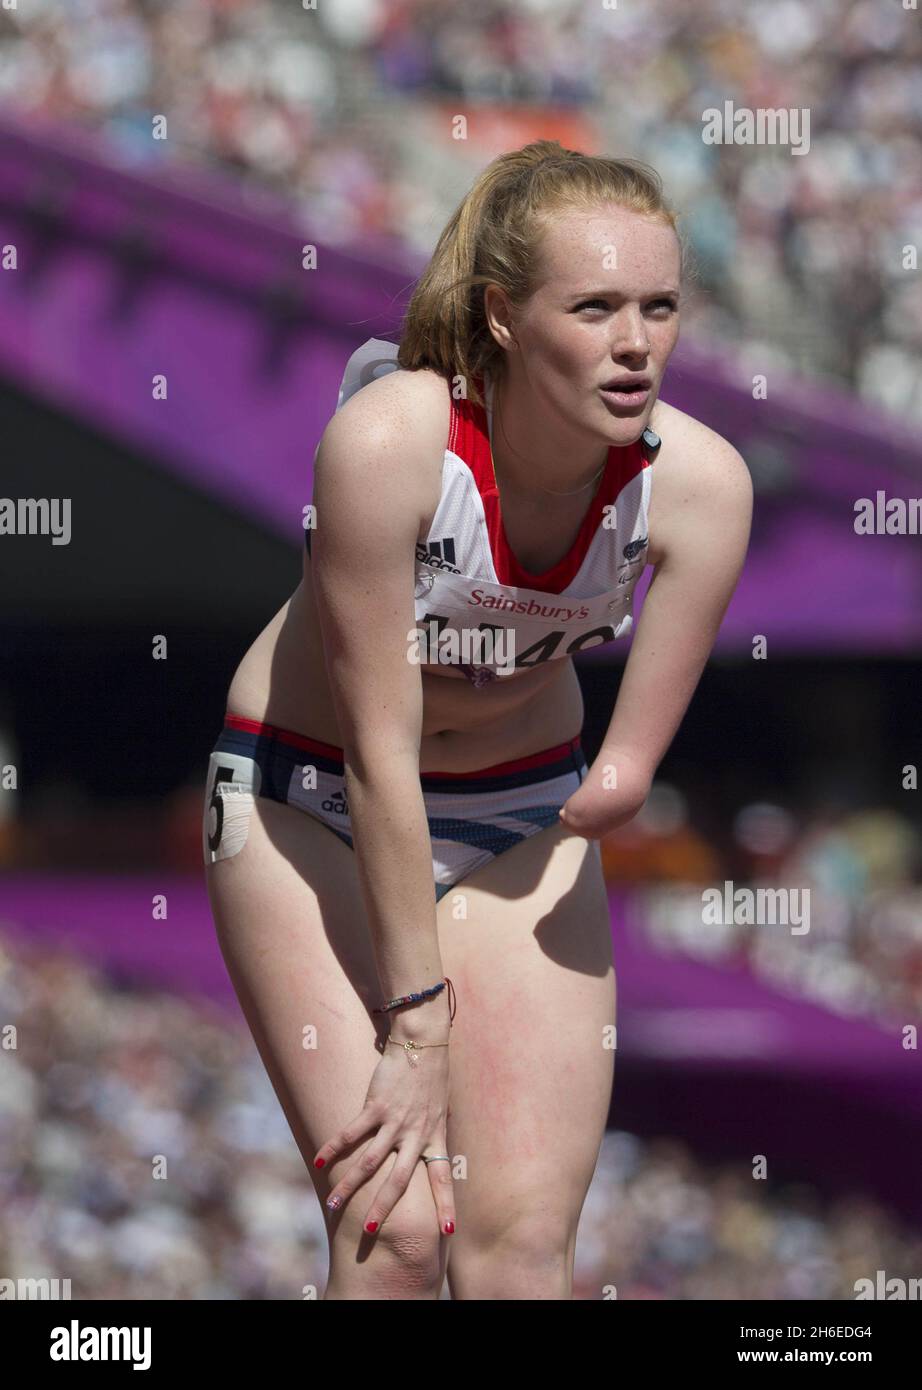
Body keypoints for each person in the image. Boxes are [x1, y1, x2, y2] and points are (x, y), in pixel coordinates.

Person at [202, 139, 752, 1301]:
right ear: (503, 315)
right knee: (396, 1229)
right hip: (313, 798)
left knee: (515, 1251)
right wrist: (420, 1028)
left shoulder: (701, 488)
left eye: (657, 306)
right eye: (593, 306)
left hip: (519, 809)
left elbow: (617, 777)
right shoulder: (389, 445)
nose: (633, 342)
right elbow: (380, 754)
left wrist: (615, 788)